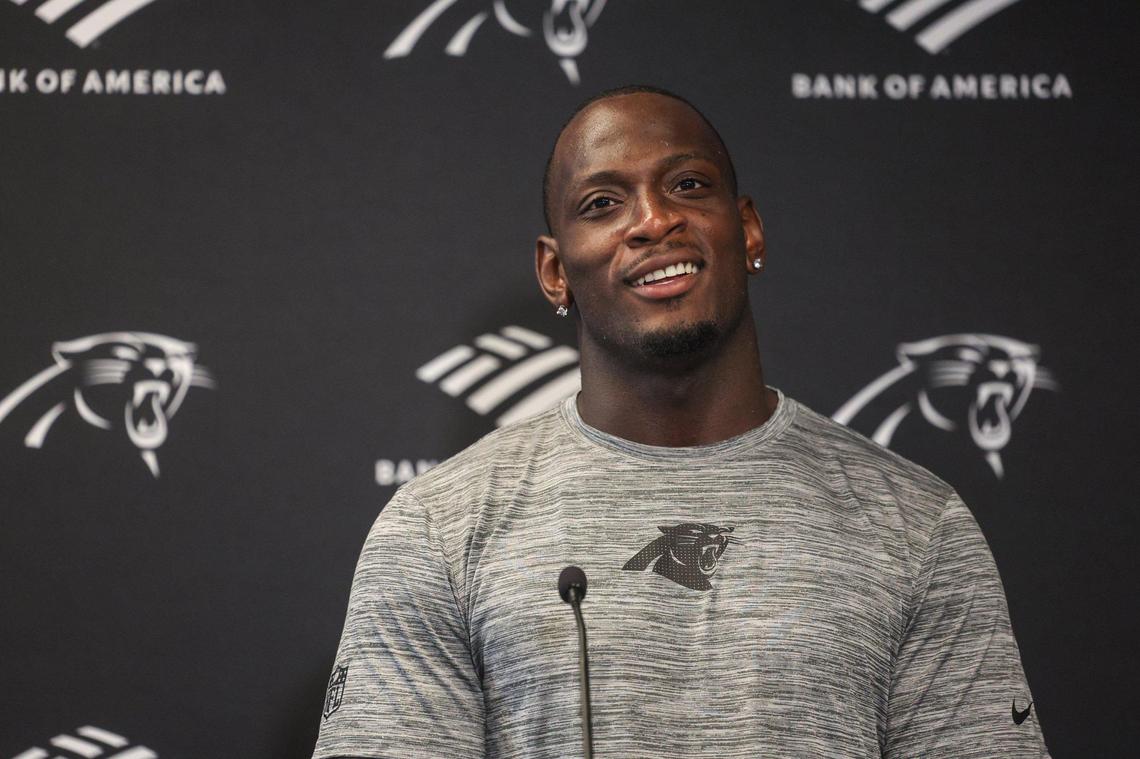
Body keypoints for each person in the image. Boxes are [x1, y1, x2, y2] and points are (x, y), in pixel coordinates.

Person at [311, 85, 1050, 758]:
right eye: (602, 203)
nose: (654, 220)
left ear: (748, 230)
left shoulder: (915, 522)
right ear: (555, 272)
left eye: (688, 186)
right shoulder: (437, 528)